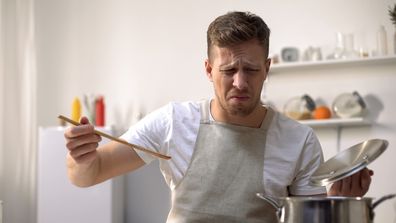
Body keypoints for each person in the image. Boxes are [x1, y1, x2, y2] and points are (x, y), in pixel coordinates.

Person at [64, 11, 372, 222]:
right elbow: (89, 175)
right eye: (228, 70)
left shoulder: (298, 140)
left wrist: (340, 206)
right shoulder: (175, 122)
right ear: (209, 70)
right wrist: (82, 159)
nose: (240, 82)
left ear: (267, 68)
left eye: (251, 69)